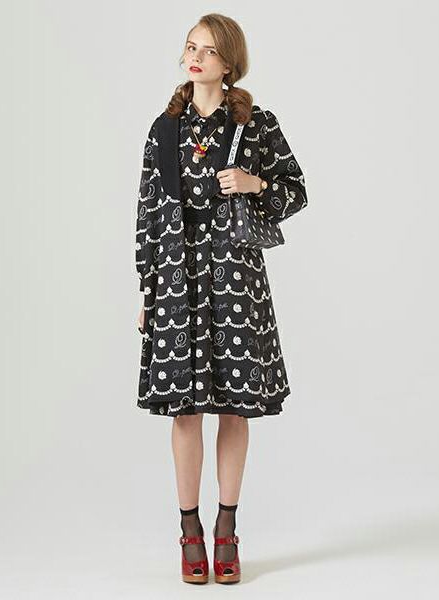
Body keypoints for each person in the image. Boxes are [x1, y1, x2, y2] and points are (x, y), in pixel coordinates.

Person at [133, 13, 308, 584]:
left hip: (235, 276)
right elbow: (148, 214)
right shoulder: (164, 130)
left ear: (229, 62)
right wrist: (148, 287)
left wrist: (255, 184)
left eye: (207, 50)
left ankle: (227, 528)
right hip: (177, 279)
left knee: (234, 406)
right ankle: (190, 531)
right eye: (190, 47)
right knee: (184, 408)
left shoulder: (257, 125)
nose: (195, 57)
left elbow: (296, 191)